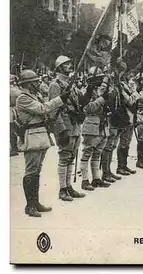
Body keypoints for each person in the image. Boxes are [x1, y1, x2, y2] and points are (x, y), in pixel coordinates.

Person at [16, 69, 70, 217]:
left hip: (40, 135)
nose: (38, 83)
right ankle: (30, 205)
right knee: (31, 171)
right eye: (35, 82)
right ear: (28, 84)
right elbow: (42, 109)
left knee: (37, 172)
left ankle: (35, 203)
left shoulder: (34, 96)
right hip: (32, 136)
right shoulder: (23, 98)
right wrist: (60, 99)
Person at [48, 55, 86, 201]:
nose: (70, 66)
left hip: (74, 124)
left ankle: (69, 186)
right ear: (59, 67)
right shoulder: (55, 84)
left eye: (70, 64)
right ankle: (62, 189)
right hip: (64, 124)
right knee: (64, 156)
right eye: (66, 64)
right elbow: (53, 110)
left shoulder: (71, 84)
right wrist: (61, 129)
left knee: (72, 156)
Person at [10, 75, 22, 156]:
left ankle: (14, 148)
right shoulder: (16, 89)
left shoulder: (12, 90)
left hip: (11, 110)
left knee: (11, 130)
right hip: (14, 110)